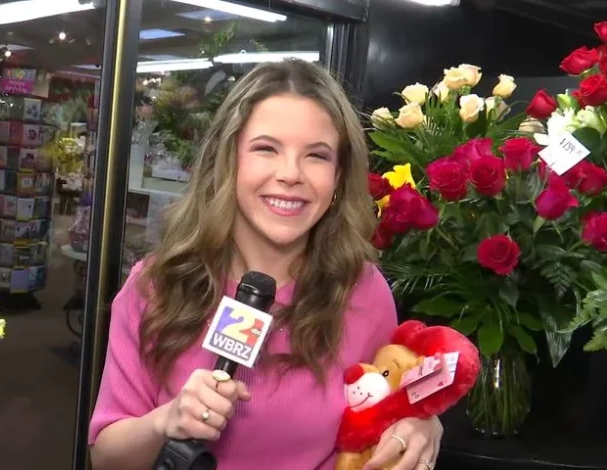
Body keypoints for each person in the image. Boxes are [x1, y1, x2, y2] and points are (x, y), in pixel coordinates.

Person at [88, 59, 443, 470]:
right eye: (266, 149)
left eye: (316, 155)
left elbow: (387, 400)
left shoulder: (362, 291)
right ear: (230, 160)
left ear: (338, 177)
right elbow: (106, 458)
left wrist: (422, 423)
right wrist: (165, 422)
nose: (290, 174)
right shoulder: (155, 286)